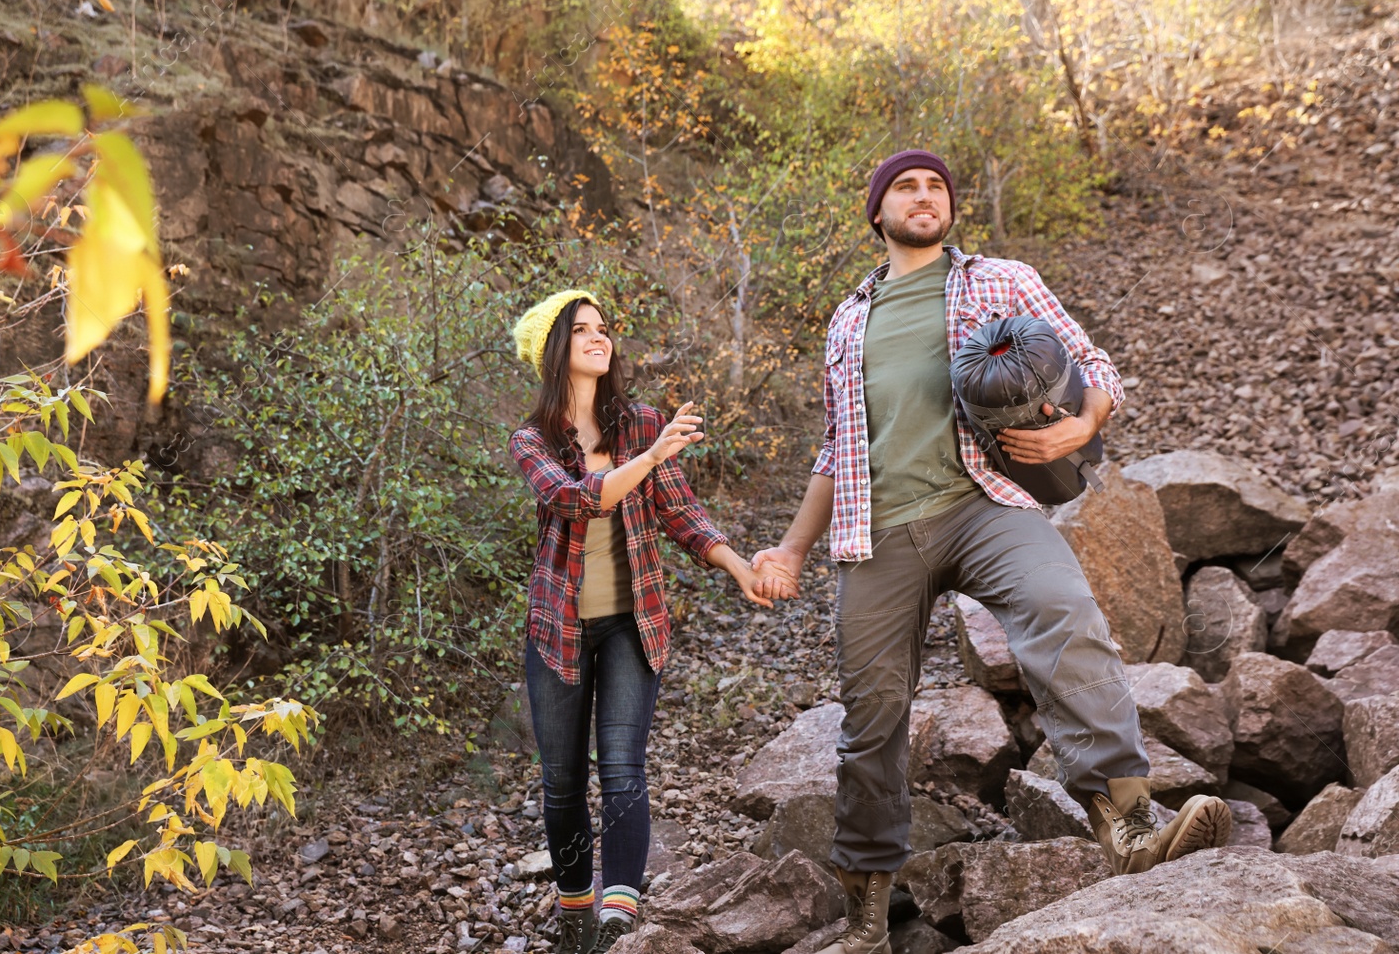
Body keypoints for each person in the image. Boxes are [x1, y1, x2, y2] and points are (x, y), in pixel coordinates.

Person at [750, 150, 1232, 954]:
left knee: (1062, 608)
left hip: (983, 503)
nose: (924, 194)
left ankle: (1129, 821)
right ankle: (868, 909)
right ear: (879, 212)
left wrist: (1082, 424)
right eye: (906, 186)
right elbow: (838, 451)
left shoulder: (998, 279)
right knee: (872, 714)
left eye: (936, 185)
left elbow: (1096, 363)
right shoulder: (846, 321)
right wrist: (792, 551)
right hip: (876, 533)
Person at [509, 290, 790, 954]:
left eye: (603, 328)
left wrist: (739, 566)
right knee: (561, 784)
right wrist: (652, 457)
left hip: (634, 623)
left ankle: (618, 918)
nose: (599, 338)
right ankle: (576, 911)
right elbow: (575, 499)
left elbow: (680, 511)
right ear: (554, 348)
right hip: (558, 629)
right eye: (581, 330)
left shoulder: (639, 423)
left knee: (625, 769)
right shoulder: (532, 439)